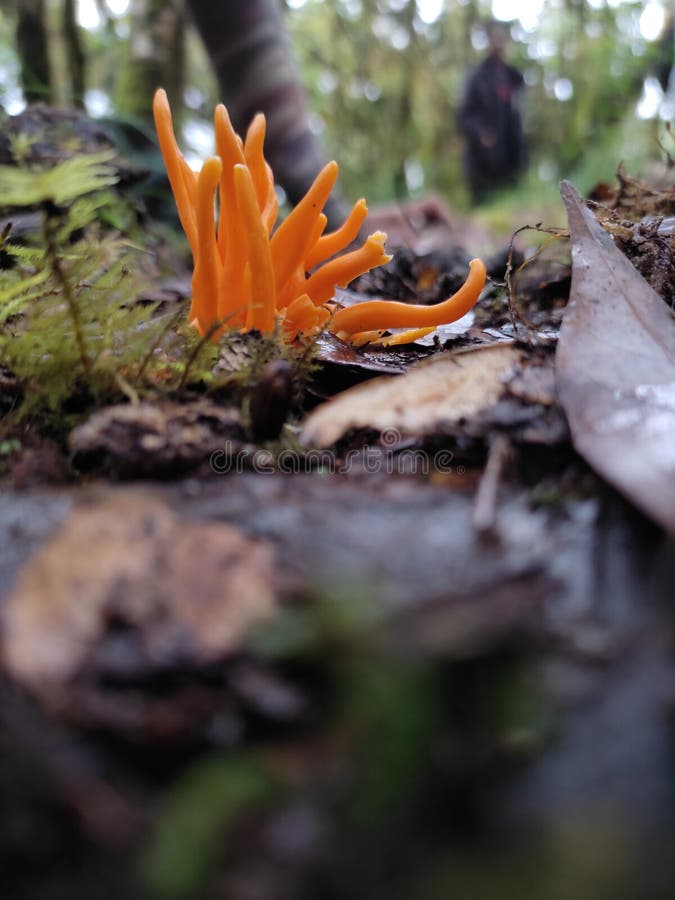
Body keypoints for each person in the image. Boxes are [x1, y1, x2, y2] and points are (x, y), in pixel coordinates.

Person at [458, 22, 527, 203]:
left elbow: (519, 117)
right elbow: (464, 117)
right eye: (494, 38)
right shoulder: (476, 78)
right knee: (487, 207)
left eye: (501, 38)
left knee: (513, 206)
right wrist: (481, 133)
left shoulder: (514, 77)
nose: (498, 43)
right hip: (484, 167)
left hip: (511, 162)